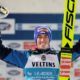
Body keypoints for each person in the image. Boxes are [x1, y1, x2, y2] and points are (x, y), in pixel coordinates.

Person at [0, 26, 80, 80]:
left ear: (49, 39)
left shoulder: (59, 57)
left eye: (46, 36)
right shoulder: (27, 57)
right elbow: (1, 52)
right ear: (35, 39)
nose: (43, 40)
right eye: (39, 37)